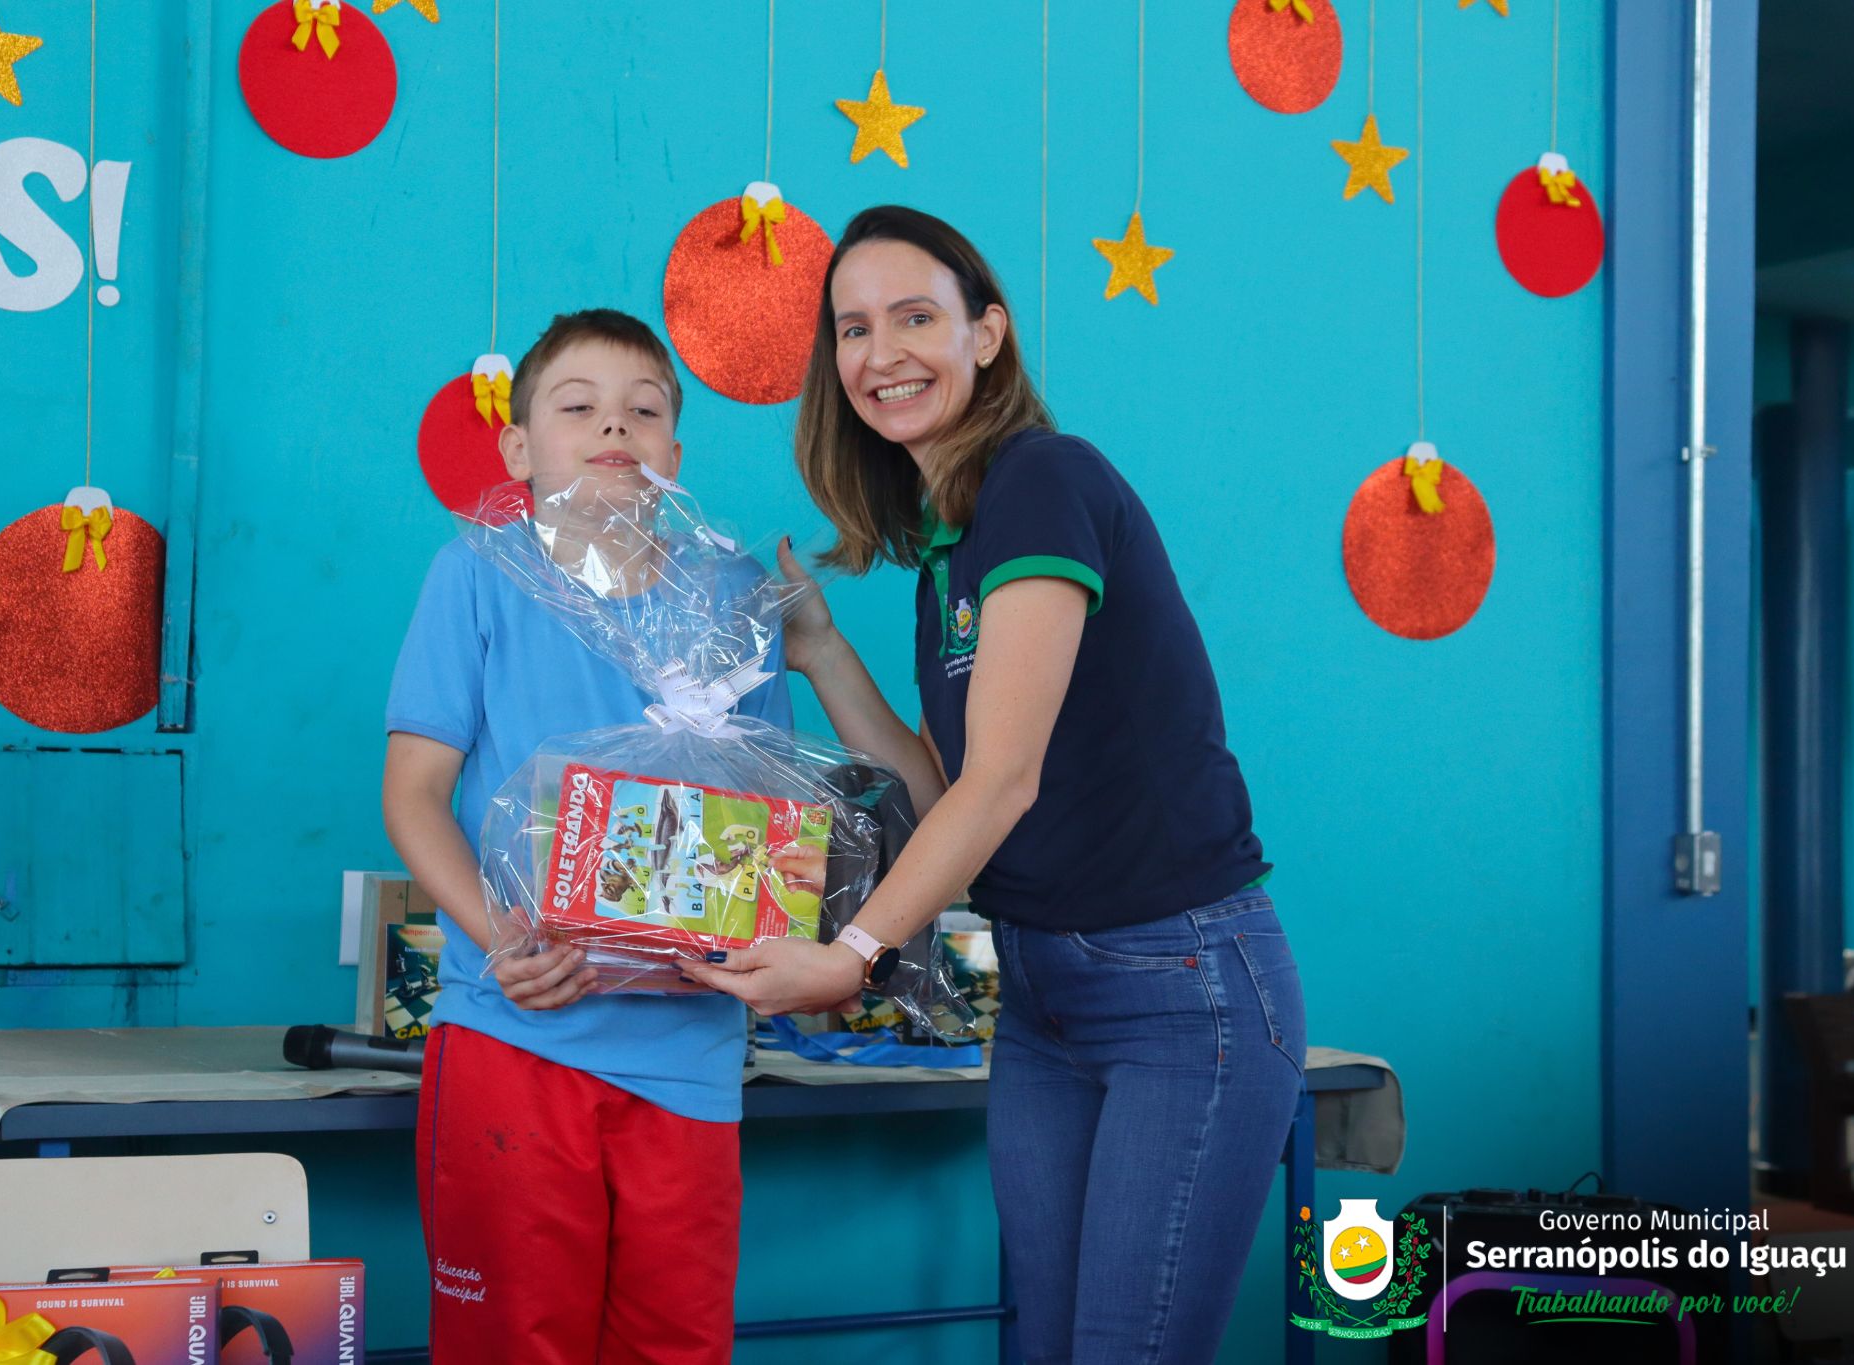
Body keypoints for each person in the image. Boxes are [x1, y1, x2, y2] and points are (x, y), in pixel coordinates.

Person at [684, 206, 1306, 1365]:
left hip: (1180, 988)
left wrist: (851, 952)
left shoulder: (1041, 481)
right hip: (1045, 1000)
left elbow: (1002, 785)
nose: (882, 355)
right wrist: (821, 650)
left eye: (916, 317)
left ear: (989, 335)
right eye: (853, 330)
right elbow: (938, 784)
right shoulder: (947, 545)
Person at [382, 308, 789, 1365]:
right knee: (513, 1342)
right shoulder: (476, 573)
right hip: (515, 1034)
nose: (615, 427)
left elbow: (772, 821)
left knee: (675, 1345)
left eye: (644, 411)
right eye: (579, 408)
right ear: (519, 449)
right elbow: (414, 795)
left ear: (675, 454)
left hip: (688, 1056)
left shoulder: (739, 596)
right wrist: (502, 937)